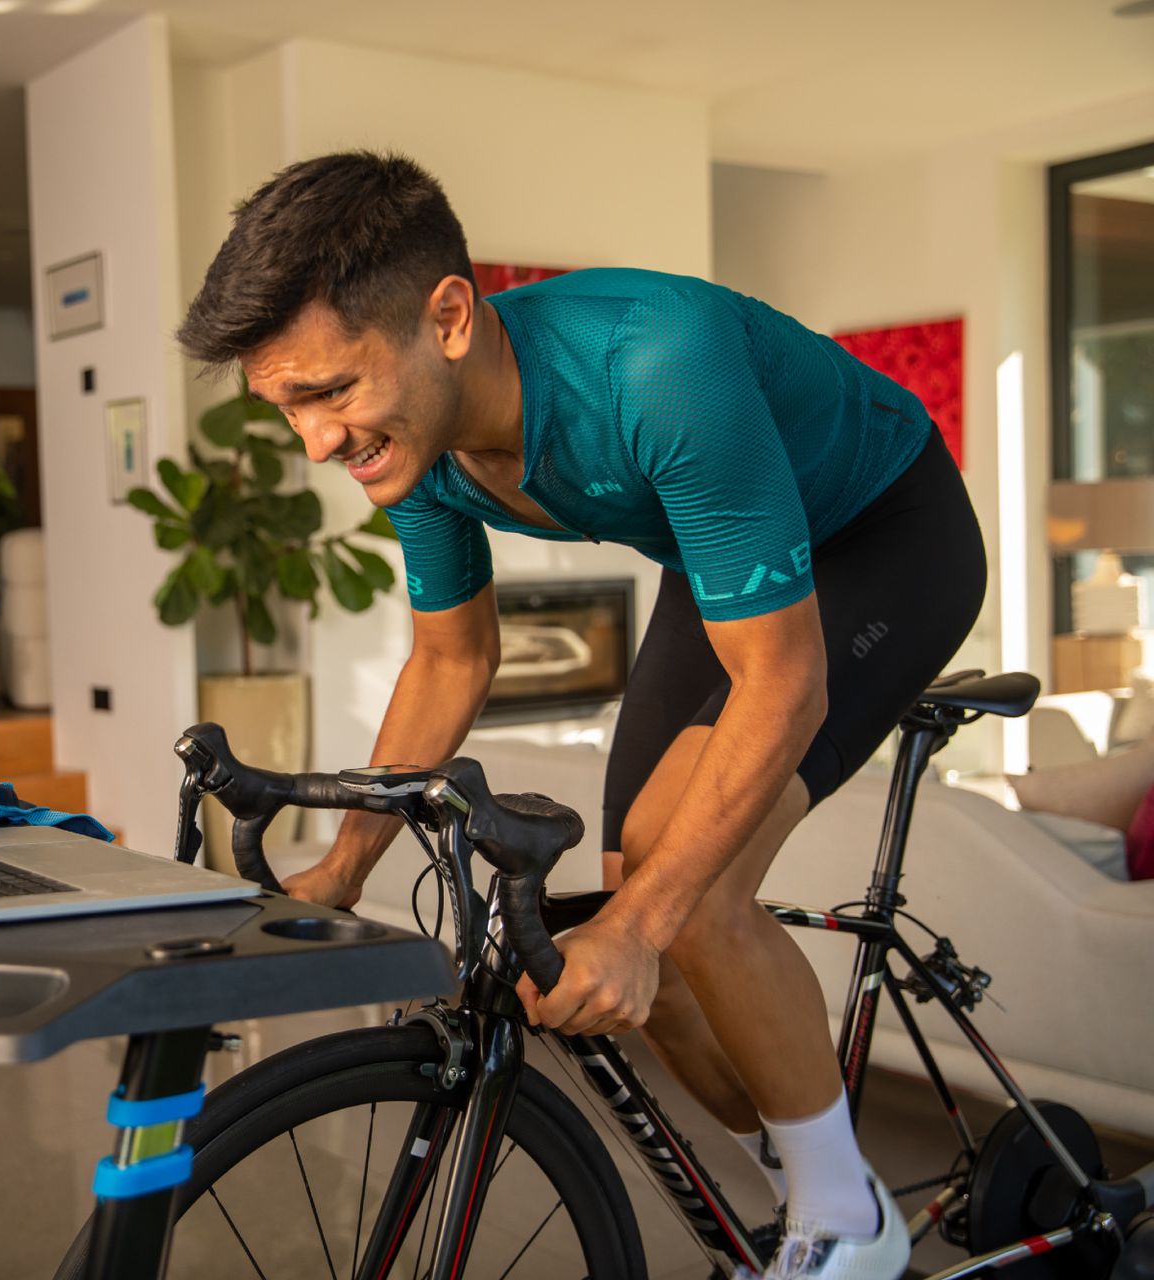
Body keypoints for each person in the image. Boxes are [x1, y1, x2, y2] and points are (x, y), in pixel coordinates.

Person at [176, 151, 986, 1280]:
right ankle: (809, 1174)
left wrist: (650, 923)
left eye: (332, 391)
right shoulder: (423, 444)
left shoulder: (655, 366)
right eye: (288, 407)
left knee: (677, 890)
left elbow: (785, 682)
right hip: (714, 558)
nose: (318, 442)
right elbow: (451, 656)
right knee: (609, 921)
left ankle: (849, 1219)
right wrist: (344, 866)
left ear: (447, 316)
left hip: (886, 533)